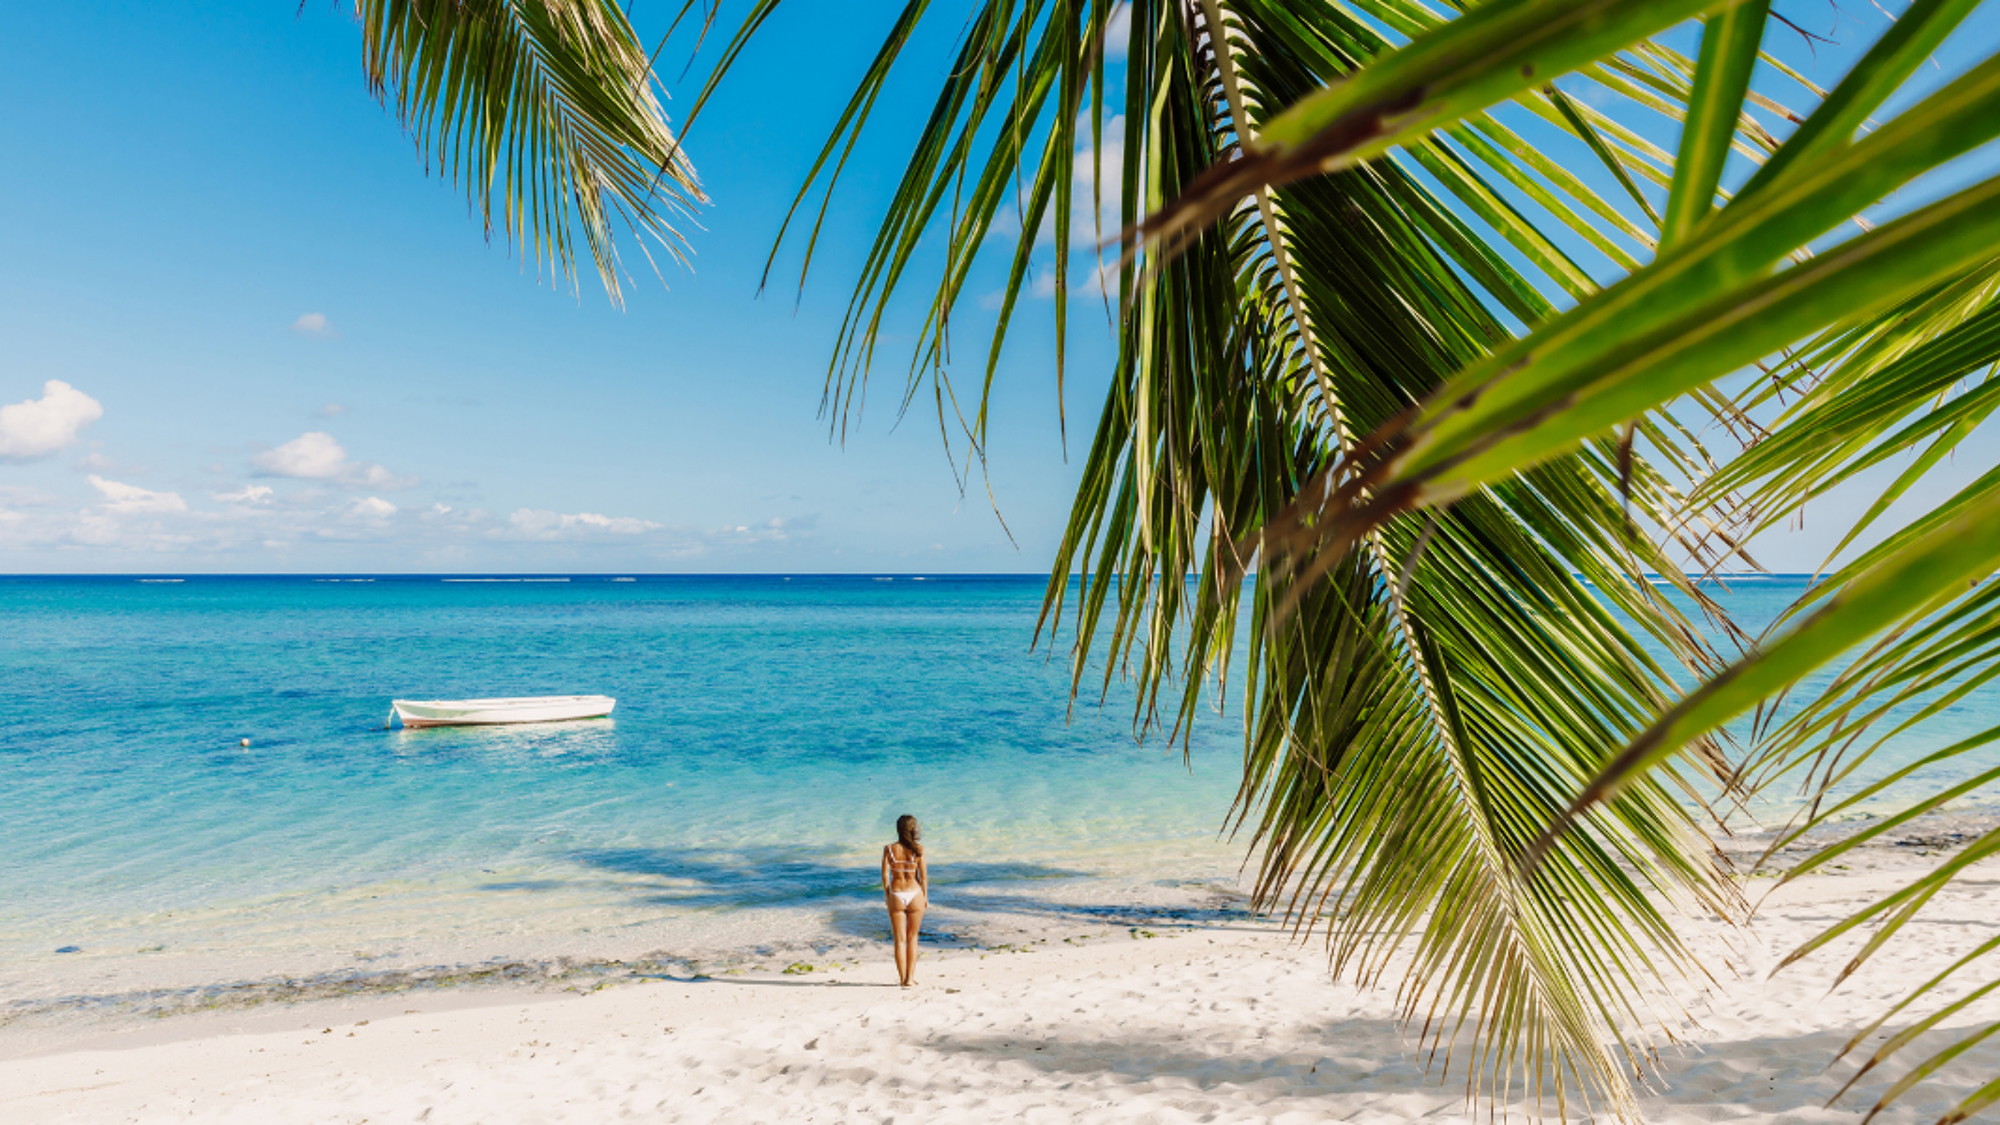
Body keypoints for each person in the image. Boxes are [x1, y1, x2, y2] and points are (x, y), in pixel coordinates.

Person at [880, 814, 928, 987]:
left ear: (898, 829)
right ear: (913, 829)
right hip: (915, 893)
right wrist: (925, 897)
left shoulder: (889, 849)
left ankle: (902, 979)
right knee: (913, 938)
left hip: (896, 893)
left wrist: (888, 896)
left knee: (899, 939)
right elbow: (923, 877)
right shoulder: (918, 850)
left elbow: (885, 876)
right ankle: (910, 979)